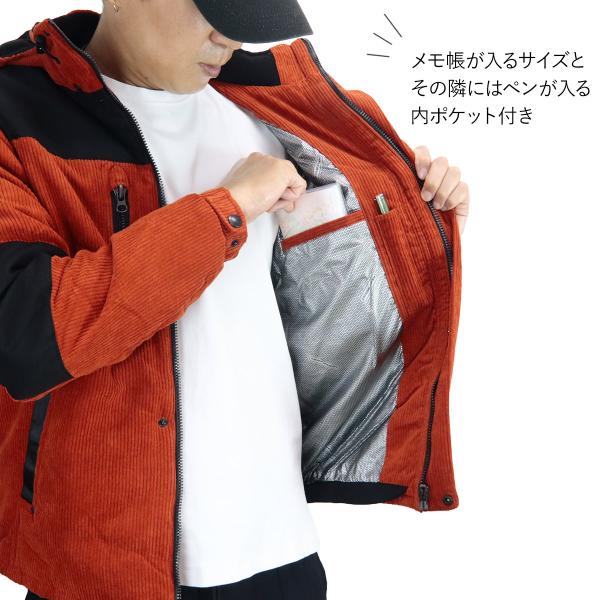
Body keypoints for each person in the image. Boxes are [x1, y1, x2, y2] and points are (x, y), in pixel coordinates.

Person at [0, 1, 469, 599]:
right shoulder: (14, 111)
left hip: (281, 552)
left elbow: (334, 297)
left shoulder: (281, 107)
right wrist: (226, 208)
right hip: (105, 564)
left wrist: (424, 213)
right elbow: (29, 335)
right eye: (213, 9)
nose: (232, 39)